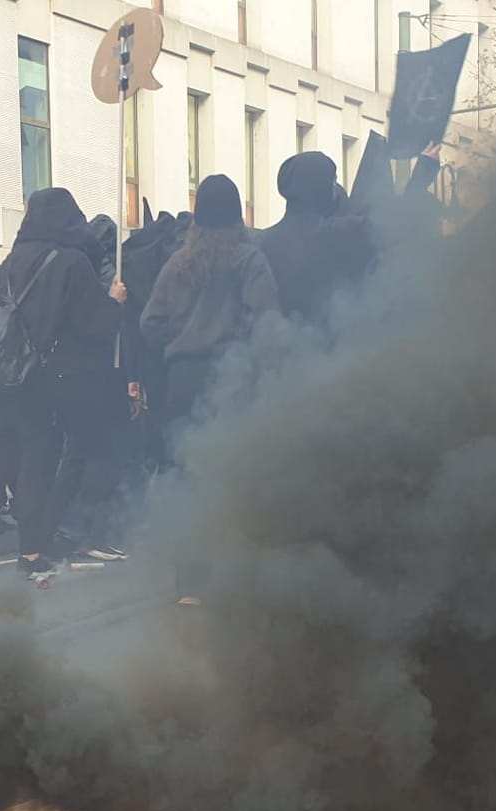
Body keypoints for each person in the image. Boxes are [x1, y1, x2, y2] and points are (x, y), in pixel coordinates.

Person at [139, 174, 279, 603]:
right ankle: (234, 581)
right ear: (237, 214)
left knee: (186, 481)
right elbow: (268, 322)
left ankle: (190, 585)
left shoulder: (178, 264)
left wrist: (182, 338)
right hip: (229, 379)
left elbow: (150, 324)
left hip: (183, 382)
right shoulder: (249, 260)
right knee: (232, 476)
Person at [0, 188, 127, 574]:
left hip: (20, 371)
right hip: (65, 373)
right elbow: (95, 326)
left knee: (34, 458)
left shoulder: (16, 259)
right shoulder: (72, 262)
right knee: (83, 453)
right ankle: (55, 534)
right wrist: (114, 301)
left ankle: (30, 548)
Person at [256, 151, 375, 332]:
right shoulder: (338, 235)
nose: (336, 189)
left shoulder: (263, 242)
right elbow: (392, 228)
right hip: (328, 353)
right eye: (333, 182)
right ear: (320, 187)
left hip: (277, 351)